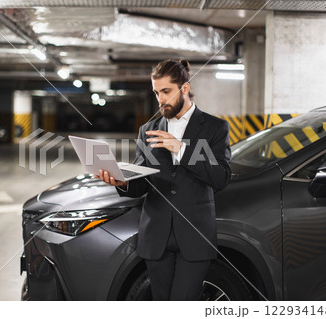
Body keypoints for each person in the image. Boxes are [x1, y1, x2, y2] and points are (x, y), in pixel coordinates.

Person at [96, 59, 231, 300]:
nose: (160, 99)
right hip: (156, 238)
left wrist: (181, 149)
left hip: (195, 237)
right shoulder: (147, 130)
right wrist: (122, 182)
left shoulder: (214, 128)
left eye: (166, 91)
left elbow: (220, 177)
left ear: (185, 89)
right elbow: (141, 180)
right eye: (156, 92)